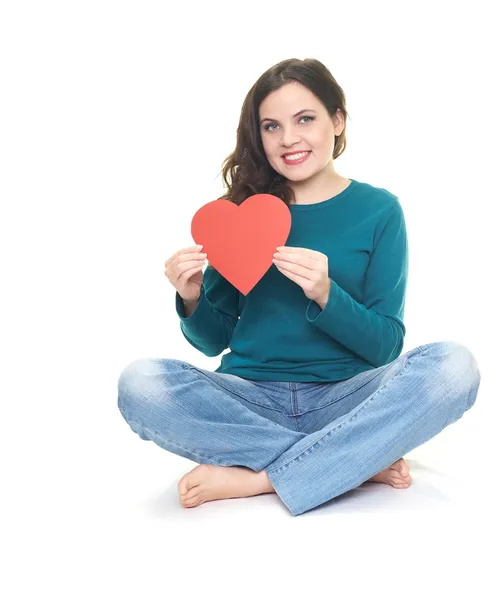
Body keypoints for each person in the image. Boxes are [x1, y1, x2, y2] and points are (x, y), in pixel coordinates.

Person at [117, 58, 481, 517]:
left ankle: (262, 478)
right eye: (272, 126)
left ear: (337, 120)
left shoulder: (380, 210)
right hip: (248, 400)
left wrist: (327, 294)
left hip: (346, 397)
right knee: (140, 384)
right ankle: (352, 462)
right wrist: (191, 297)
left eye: (305, 119)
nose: (288, 139)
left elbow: (387, 347)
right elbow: (212, 342)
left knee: (453, 367)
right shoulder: (241, 213)